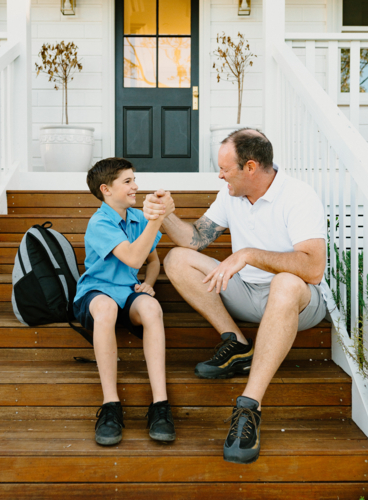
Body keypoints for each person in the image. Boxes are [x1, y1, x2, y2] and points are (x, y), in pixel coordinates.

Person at [142, 128, 327, 464]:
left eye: (225, 169)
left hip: (297, 303)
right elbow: (196, 239)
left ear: (251, 167)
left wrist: (249, 255)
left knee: (284, 283)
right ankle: (237, 343)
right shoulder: (230, 195)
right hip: (245, 294)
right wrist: (165, 214)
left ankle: (249, 407)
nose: (220, 174)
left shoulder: (299, 196)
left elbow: (313, 270)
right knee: (177, 259)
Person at [73, 157, 176, 446]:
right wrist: (158, 219)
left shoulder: (139, 219)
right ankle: (110, 406)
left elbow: (152, 261)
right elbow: (132, 257)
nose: (136, 186)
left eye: (135, 179)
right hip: (96, 295)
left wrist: (149, 284)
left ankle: (160, 405)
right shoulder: (99, 222)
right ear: (106, 189)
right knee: (105, 309)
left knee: (152, 307)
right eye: (128, 181)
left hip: (127, 292)